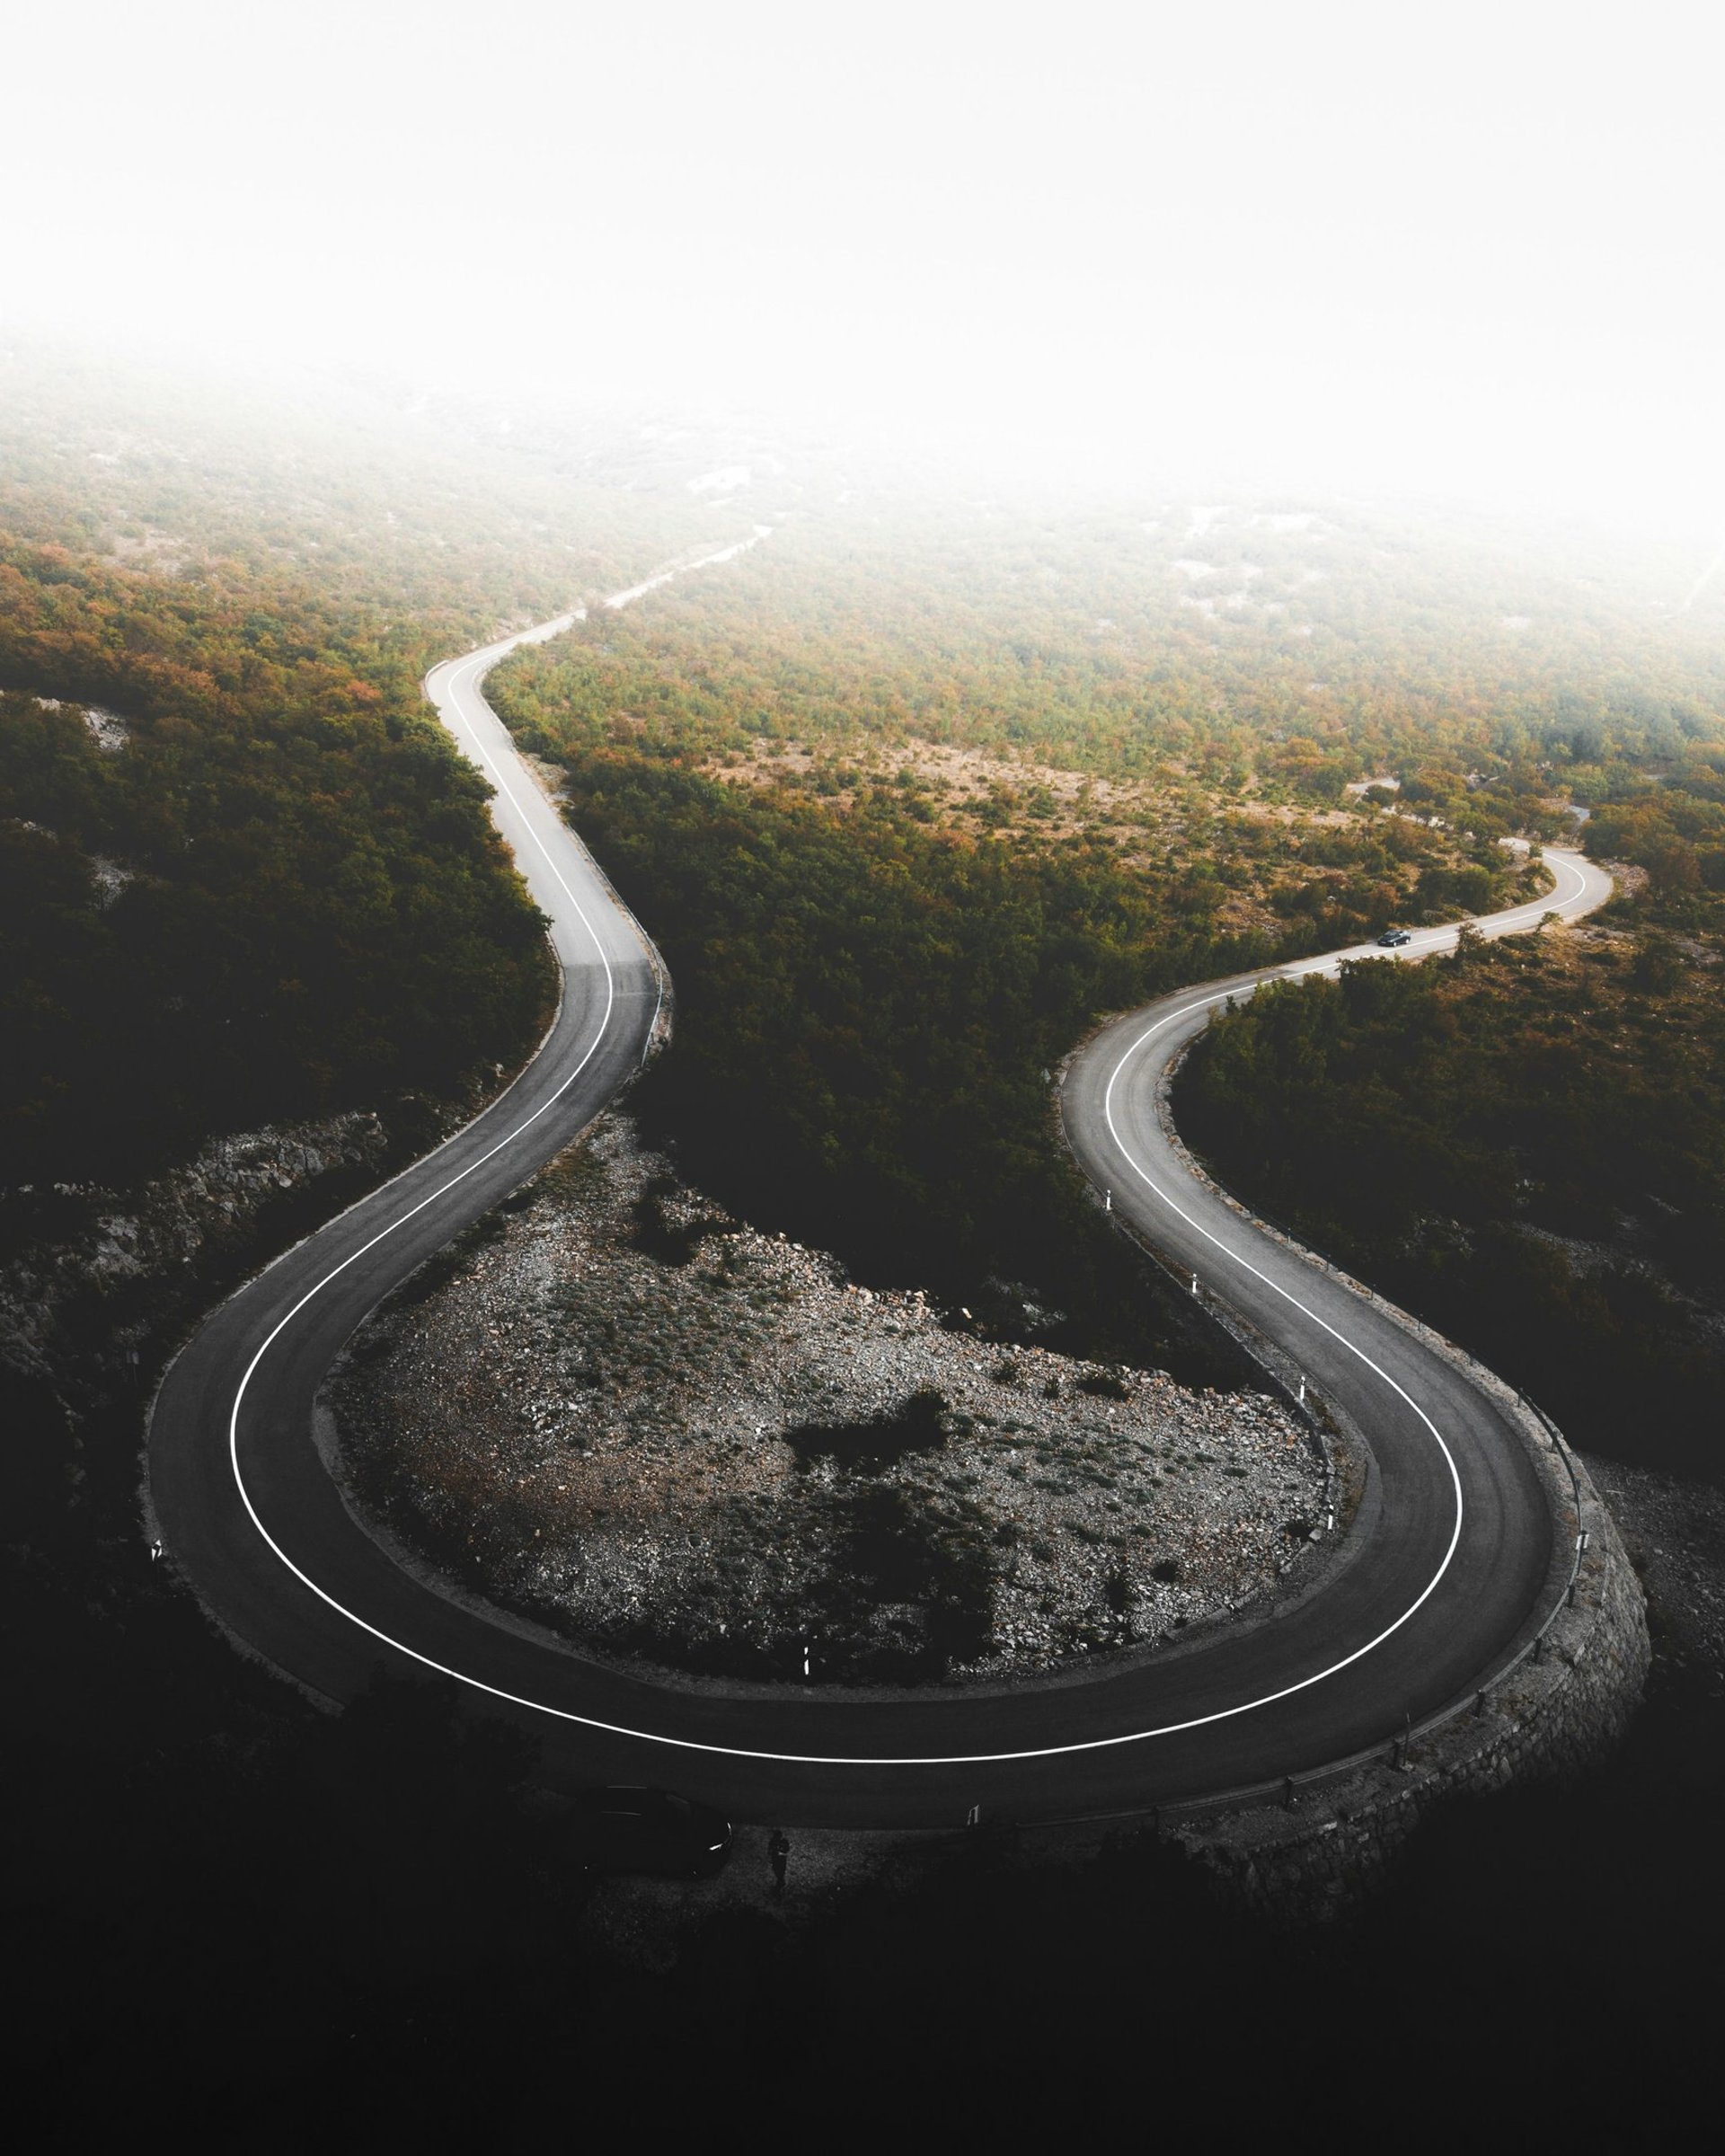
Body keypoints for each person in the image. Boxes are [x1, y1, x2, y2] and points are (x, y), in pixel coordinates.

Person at [767, 1826, 790, 1895]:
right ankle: (780, 1884)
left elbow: (786, 1850)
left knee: (780, 1872)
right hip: (775, 1859)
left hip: (781, 1859)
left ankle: (779, 1885)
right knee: (777, 1871)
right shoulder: (772, 1842)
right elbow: (769, 1851)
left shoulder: (784, 1841)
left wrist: (779, 1851)